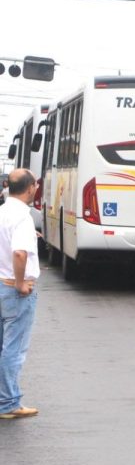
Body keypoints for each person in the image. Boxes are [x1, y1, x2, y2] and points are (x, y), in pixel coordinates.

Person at [0, 169, 40, 419]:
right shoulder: (23, 218)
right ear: (30, 188)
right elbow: (19, 253)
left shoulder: (3, 212)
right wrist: (20, 284)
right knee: (13, 349)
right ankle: (7, 403)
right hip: (14, 291)